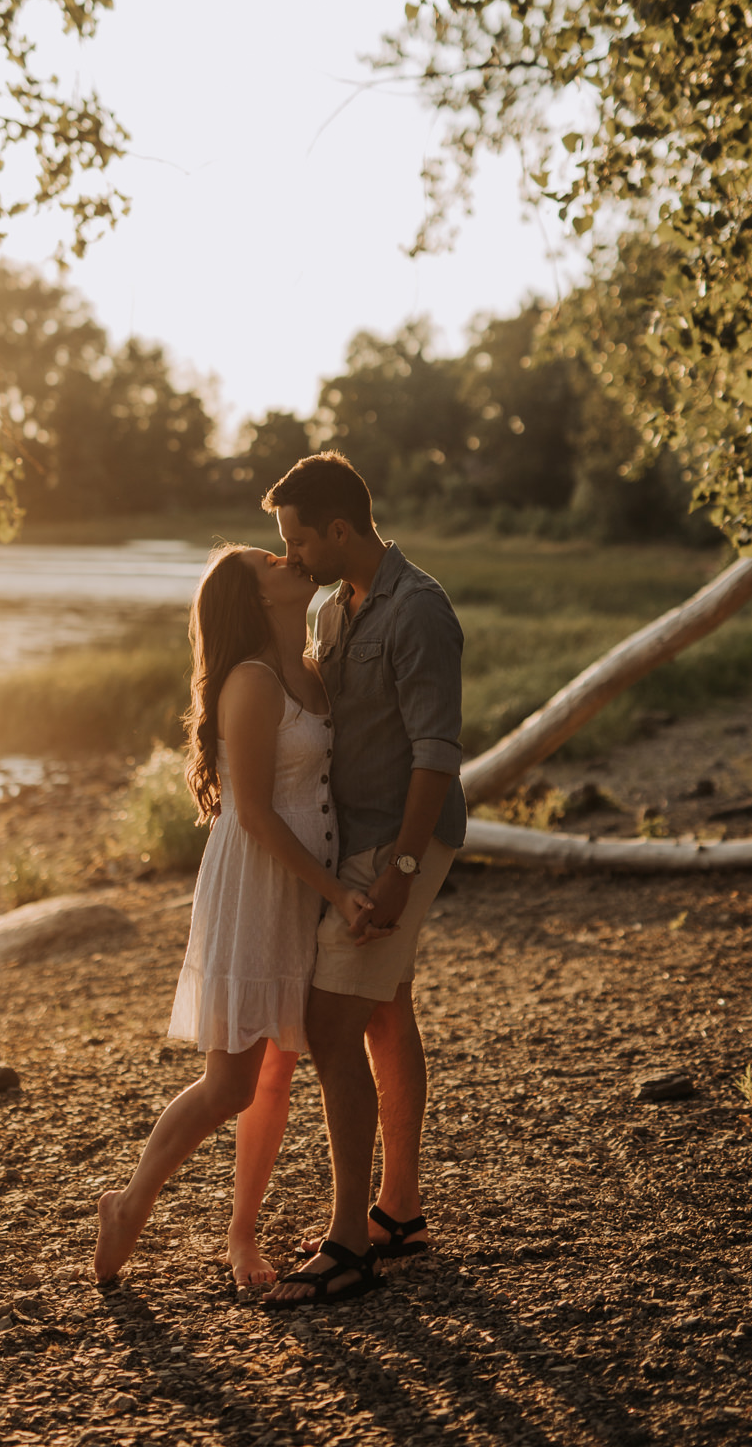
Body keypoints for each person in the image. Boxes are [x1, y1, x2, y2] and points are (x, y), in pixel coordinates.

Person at [91, 543, 379, 1287]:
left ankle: (240, 1236)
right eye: (270, 563)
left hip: (304, 883)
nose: (290, 560)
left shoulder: (311, 668)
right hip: (257, 884)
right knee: (230, 1084)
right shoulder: (250, 681)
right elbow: (251, 812)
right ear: (257, 599)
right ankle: (128, 1203)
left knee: (277, 1071)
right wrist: (335, 890)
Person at [260, 452, 466, 1307]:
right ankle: (400, 1211)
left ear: (339, 529)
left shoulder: (419, 609)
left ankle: (349, 1244)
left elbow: (435, 754)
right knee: (385, 1009)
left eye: (299, 541)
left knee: (330, 1026)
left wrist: (401, 871)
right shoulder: (330, 607)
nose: (292, 556)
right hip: (357, 838)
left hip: (398, 842)